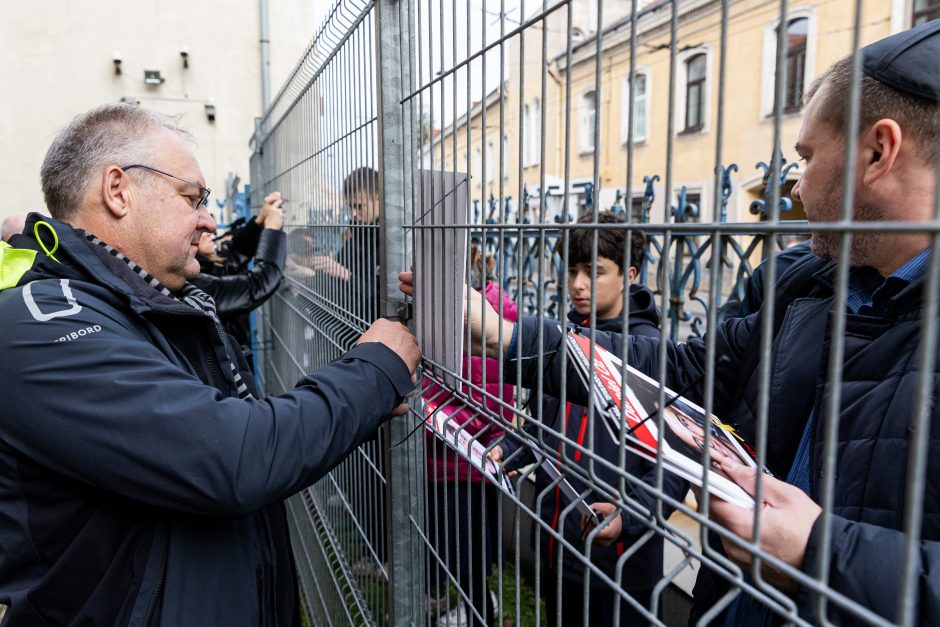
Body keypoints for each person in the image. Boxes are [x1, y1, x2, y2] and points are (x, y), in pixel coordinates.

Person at [408, 19, 940, 625]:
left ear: (879, 151)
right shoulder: (801, 287)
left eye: (808, 155)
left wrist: (820, 551)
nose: (794, 180)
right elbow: (680, 374)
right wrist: (502, 332)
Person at [0, 104, 420, 625]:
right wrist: (375, 371)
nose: (208, 218)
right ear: (117, 191)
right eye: (192, 198)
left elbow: (220, 429)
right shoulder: (42, 325)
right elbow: (232, 456)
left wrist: (363, 395)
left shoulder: (154, 300)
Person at [489, 211, 688, 625]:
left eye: (593, 272)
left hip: (618, 563)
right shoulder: (566, 341)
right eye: (572, 270)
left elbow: (677, 463)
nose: (577, 284)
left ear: (629, 274)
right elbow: (542, 426)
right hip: (555, 541)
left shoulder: (648, 352)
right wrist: (504, 450)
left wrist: (630, 513)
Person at [193, 191, 287, 367]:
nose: (211, 229)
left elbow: (235, 254)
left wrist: (260, 221)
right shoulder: (192, 283)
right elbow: (256, 285)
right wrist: (272, 231)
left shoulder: (206, 265)